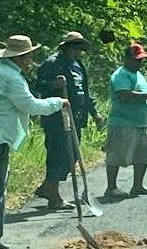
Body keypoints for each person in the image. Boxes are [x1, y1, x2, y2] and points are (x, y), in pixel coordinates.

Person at [0, 35, 69, 249]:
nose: (30, 60)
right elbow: (29, 105)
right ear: (21, 56)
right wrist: (58, 103)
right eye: (28, 56)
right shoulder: (10, 77)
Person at [34, 31, 104, 209]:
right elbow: (36, 85)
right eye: (74, 46)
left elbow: (84, 92)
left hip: (76, 117)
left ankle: (47, 187)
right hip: (57, 118)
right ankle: (54, 197)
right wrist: (53, 84)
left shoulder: (78, 65)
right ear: (66, 47)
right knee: (57, 154)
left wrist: (94, 113)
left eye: (79, 47)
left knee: (71, 155)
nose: (77, 51)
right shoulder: (53, 63)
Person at [104, 42, 147, 198]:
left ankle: (138, 186)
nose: (139, 62)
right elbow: (123, 94)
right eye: (136, 59)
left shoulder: (138, 74)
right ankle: (111, 187)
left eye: (141, 59)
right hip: (122, 123)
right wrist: (145, 96)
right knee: (116, 155)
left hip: (140, 123)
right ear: (126, 59)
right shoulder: (121, 74)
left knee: (143, 156)